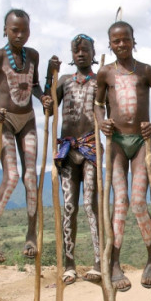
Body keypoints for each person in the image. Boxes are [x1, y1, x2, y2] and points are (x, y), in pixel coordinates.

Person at [95, 21, 151, 291]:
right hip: (116, 143)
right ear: (110, 44)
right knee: (120, 202)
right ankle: (114, 263)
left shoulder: (145, 71)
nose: (121, 44)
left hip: (140, 143)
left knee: (138, 202)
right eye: (116, 41)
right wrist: (101, 122)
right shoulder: (105, 73)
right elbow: (97, 105)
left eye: (125, 39)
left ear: (133, 40)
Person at [0, 9, 49, 261]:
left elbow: (34, 85)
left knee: (31, 177)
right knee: (12, 176)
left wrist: (43, 97)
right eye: (14, 30)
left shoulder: (33, 55)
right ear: (5, 30)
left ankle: (31, 234)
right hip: (5, 121)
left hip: (28, 120)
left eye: (24, 30)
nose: (19, 35)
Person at [50, 34, 102, 285]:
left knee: (91, 204)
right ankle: (69, 265)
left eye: (85, 49)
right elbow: (49, 108)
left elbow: (107, 111)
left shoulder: (100, 81)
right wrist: (49, 79)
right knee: (69, 207)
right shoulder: (64, 81)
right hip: (68, 150)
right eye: (76, 50)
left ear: (93, 52)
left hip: (91, 149)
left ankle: (99, 262)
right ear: (72, 54)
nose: (80, 54)